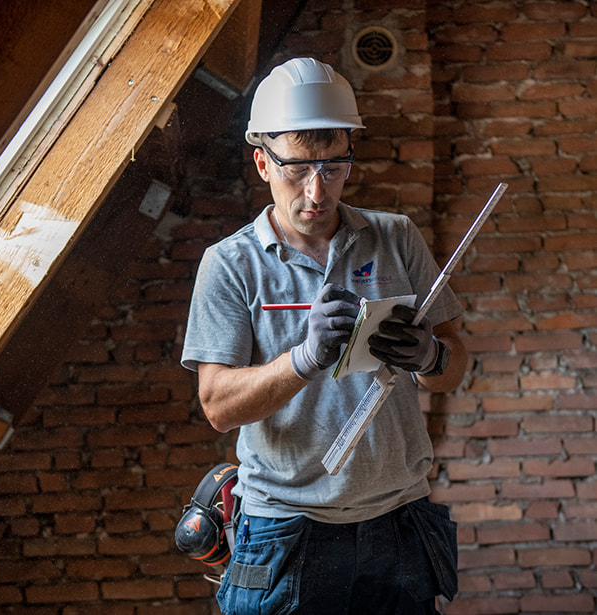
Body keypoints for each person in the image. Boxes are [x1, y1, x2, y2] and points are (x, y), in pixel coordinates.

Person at [181, 57, 468, 615]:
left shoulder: (395, 237)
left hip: (400, 521)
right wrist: (304, 360)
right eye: (298, 169)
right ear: (262, 162)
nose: (317, 191)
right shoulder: (231, 264)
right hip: (287, 530)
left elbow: (458, 368)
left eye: (333, 167)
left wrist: (432, 356)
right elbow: (217, 406)